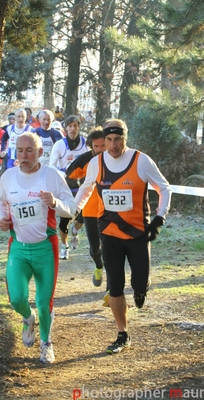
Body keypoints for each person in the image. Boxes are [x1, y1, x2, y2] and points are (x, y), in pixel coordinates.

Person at [75, 118, 172, 354]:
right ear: (103, 140)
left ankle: (141, 289)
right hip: (109, 234)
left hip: (138, 233)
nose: (113, 145)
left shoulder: (141, 161)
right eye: (108, 139)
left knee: (139, 282)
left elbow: (164, 188)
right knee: (115, 286)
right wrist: (72, 212)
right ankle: (122, 333)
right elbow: (86, 189)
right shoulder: (97, 163)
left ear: (125, 139)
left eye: (117, 139)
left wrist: (159, 218)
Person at [0, 133, 76, 363]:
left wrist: (55, 203)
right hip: (19, 249)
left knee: (44, 302)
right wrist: (3, 220)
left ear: (40, 152)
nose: (24, 155)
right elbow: (2, 205)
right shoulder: (7, 177)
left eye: (29, 150)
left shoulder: (52, 176)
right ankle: (27, 317)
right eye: (20, 150)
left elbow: (71, 209)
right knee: (17, 299)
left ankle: (46, 343)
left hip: (46, 248)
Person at [65, 127, 108, 291]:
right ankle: (98, 266)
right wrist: (78, 187)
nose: (100, 149)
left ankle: (112, 287)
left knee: (110, 246)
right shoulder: (85, 159)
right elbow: (69, 175)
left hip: (110, 208)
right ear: (91, 146)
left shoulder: (114, 159)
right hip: (90, 209)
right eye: (96, 146)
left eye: (102, 145)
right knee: (94, 247)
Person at [49, 115, 88, 260]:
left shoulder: (85, 144)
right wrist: (66, 173)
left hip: (82, 186)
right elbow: (52, 166)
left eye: (75, 126)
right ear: (66, 128)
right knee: (64, 220)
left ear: (79, 128)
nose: (73, 129)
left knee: (83, 218)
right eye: (70, 126)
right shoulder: (59, 145)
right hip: (65, 186)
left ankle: (75, 229)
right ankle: (65, 247)